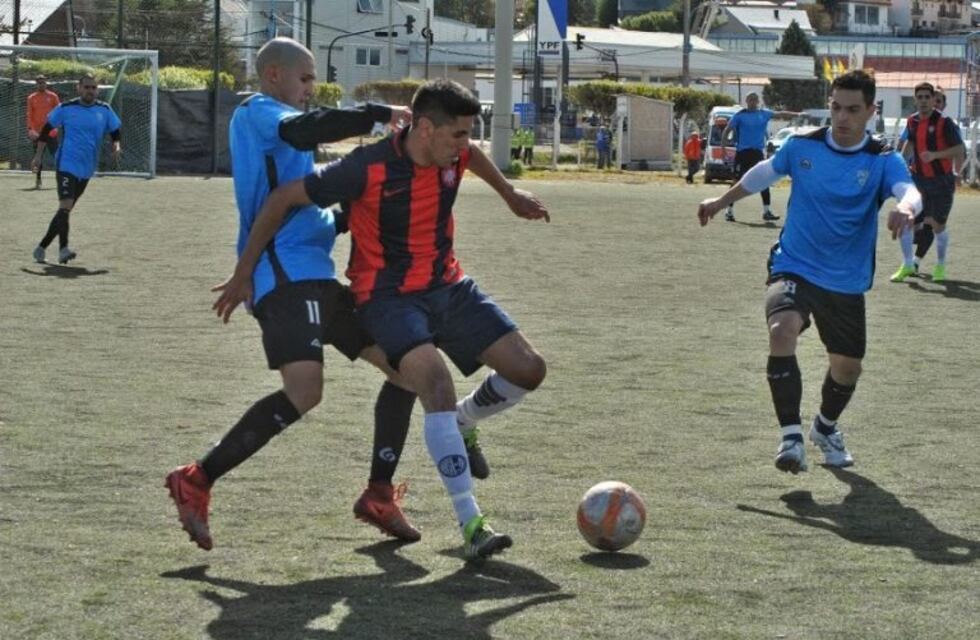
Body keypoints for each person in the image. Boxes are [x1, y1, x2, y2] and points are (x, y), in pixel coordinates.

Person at [250, 78, 551, 560]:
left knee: (529, 370)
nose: (465, 144)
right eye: (458, 134)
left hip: (448, 286)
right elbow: (285, 196)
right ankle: (472, 524)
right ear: (424, 128)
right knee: (434, 382)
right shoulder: (366, 166)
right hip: (386, 298)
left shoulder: (453, 154)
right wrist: (244, 271)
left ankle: (464, 421)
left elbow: (472, 155)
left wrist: (509, 192)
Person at [164, 37, 420, 552]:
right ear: (274, 75)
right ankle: (197, 478)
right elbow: (308, 130)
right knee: (305, 391)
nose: (310, 89)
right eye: (305, 79)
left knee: (407, 371)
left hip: (318, 277)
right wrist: (380, 115)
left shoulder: (290, 133)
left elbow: (312, 206)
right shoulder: (258, 112)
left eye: (313, 80)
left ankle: (378, 494)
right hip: (283, 276)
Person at [697, 70, 920, 474]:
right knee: (781, 330)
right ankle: (791, 438)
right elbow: (764, 172)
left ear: (871, 111)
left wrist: (905, 207)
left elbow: (909, 190)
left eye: (853, 109)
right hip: (794, 263)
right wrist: (720, 200)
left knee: (847, 369)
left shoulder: (882, 158)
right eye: (836, 107)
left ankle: (825, 428)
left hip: (845, 279)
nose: (842, 117)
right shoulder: (803, 145)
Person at [30, 74, 121, 265]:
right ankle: (63, 250)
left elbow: (115, 130)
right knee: (65, 206)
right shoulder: (66, 108)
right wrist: (38, 156)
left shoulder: (104, 109)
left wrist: (116, 144)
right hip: (66, 164)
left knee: (65, 210)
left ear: (97, 90)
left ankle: (41, 247)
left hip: (87, 168)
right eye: (86, 87)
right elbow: (46, 130)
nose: (90, 91)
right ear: (78, 88)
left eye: (93, 88)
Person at [889, 82, 965, 284]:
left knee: (936, 225)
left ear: (933, 100)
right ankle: (908, 264)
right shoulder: (912, 121)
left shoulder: (945, 123)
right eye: (919, 97)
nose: (923, 101)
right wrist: (900, 166)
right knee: (906, 217)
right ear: (915, 100)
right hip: (918, 180)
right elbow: (910, 143)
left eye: (927, 97)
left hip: (941, 182)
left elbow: (959, 150)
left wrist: (935, 156)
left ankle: (940, 265)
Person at [719, 92, 801, 222]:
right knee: (737, 181)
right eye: (750, 99)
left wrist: (798, 114)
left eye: (755, 100)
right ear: (746, 101)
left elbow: (781, 114)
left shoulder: (764, 114)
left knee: (764, 180)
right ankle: (728, 210)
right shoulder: (739, 115)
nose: (753, 102)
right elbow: (727, 130)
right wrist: (723, 148)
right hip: (743, 153)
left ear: (758, 102)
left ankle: (766, 211)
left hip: (757, 153)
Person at [26, 74, 60, 189]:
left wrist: (56, 127)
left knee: (56, 155)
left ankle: (62, 179)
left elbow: (59, 112)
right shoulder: (31, 98)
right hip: (38, 133)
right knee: (38, 156)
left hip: (50, 131)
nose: (42, 84)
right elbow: (29, 114)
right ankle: (38, 180)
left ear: (46, 83)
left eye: (44, 82)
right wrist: (31, 129)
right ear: (36, 84)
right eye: (40, 83)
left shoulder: (53, 96)